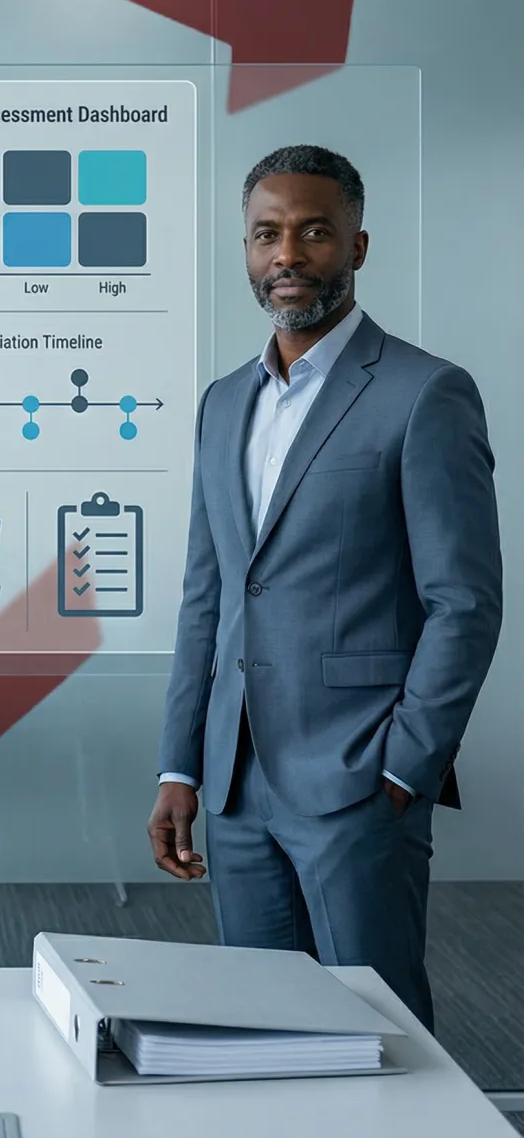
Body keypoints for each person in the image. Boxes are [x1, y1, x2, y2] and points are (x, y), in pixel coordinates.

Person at [147, 146, 501, 1032]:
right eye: (267, 234)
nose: (288, 255)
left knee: (377, 1033)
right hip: (233, 784)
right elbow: (209, 596)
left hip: (356, 776)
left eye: (314, 231)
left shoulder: (425, 394)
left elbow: (465, 601)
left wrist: (401, 768)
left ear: (358, 244)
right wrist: (181, 762)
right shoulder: (223, 403)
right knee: (260, 1032)